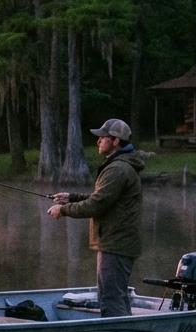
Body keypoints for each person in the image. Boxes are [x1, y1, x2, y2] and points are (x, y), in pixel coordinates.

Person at [47, 118, 144, 317]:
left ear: (115, 141)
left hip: (115, 243)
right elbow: (103, 198)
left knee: (110, 298)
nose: (98, 141)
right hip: (117, 242)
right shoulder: (119, 166)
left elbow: (96, 205)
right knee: (116, 296)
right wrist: (71, 198)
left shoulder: (117, 169)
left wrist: (63, 210)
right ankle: (124, 331)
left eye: (103, 137)